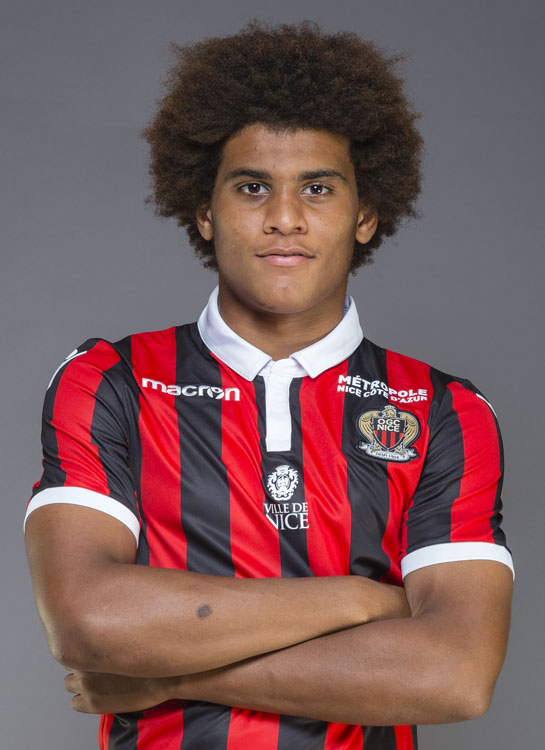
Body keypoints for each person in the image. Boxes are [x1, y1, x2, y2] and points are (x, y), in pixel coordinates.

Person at [24, 21, 513, 750]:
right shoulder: (111, 381)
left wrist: (169, 676)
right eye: (252, 187)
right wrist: (365, 602)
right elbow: (89, 621)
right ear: (204, 211)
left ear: (364, 216)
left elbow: (453, 675)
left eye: (317, 188)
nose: (284, 218)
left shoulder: (445, 410)